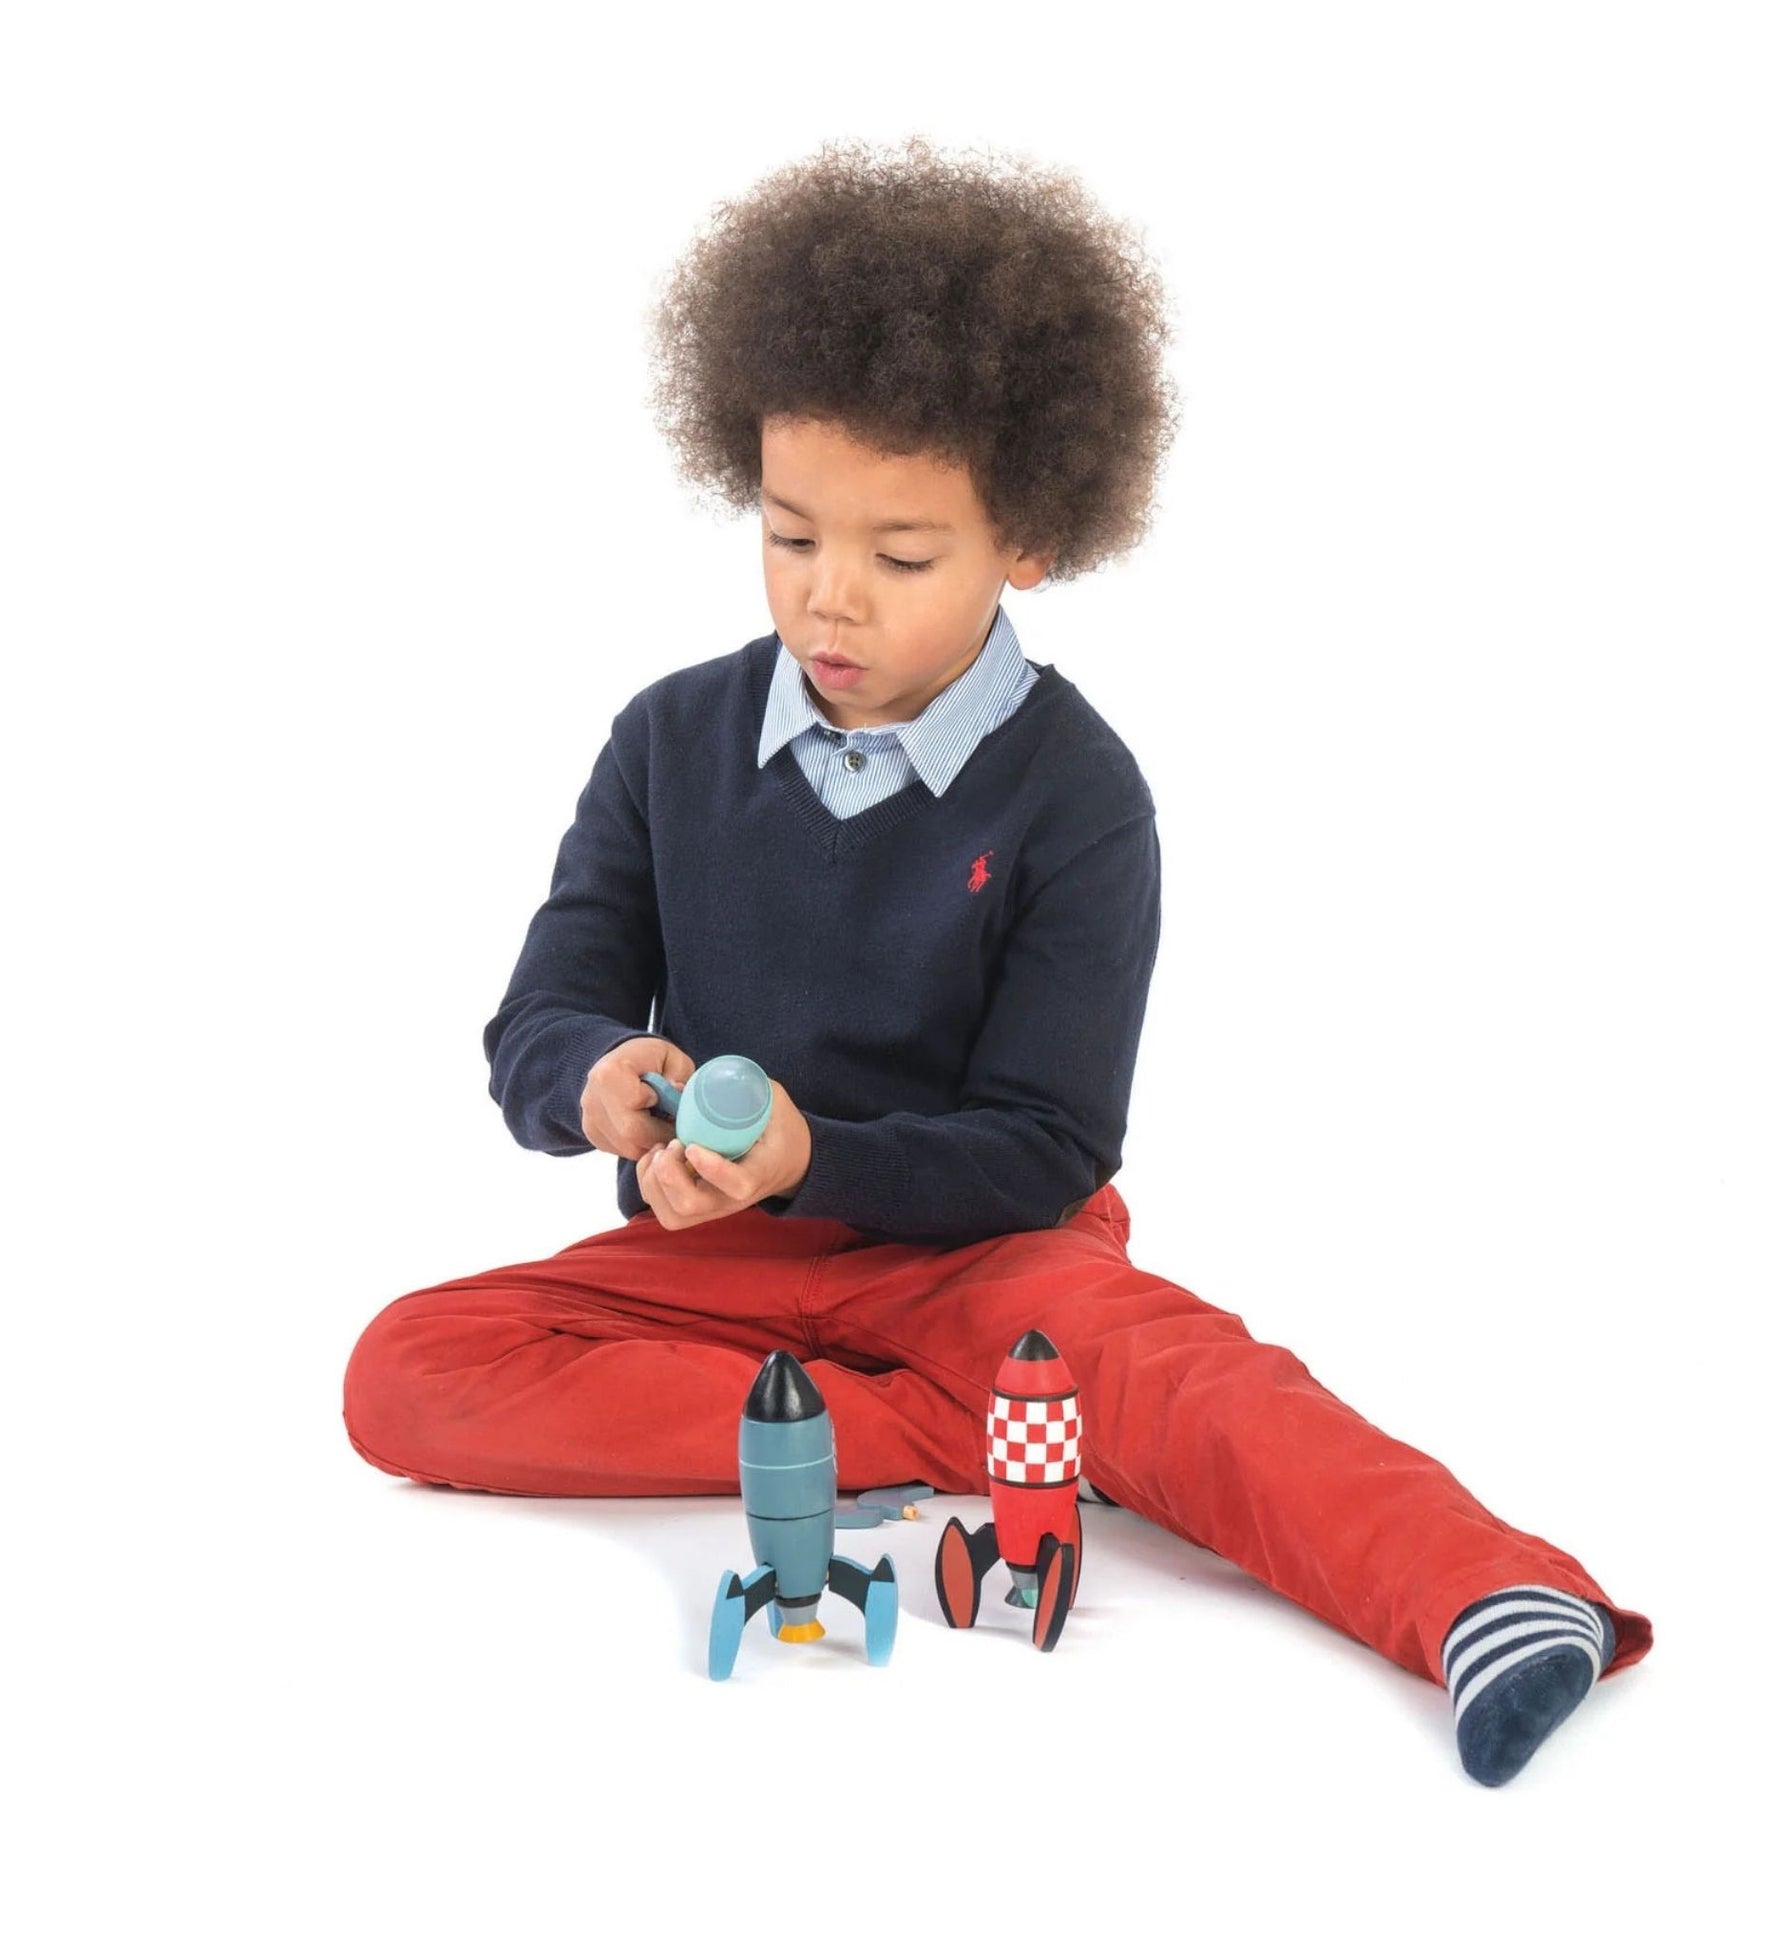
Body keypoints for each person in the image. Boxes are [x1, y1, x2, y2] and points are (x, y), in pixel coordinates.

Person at [341, 134, 1651, 1785]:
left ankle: (1485, 1593)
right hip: (714, 1266)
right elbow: (545, 1009)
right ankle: (965, 1427)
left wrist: (818, 1158)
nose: (830, 601)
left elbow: (1047, 1142)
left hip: (987, 1254)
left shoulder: (1077, 794)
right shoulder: (666, 739)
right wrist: (594, 1079)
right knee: (408, 1372)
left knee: (1177, 1375)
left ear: (1023, 537)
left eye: (899, 558)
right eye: (788, 535)